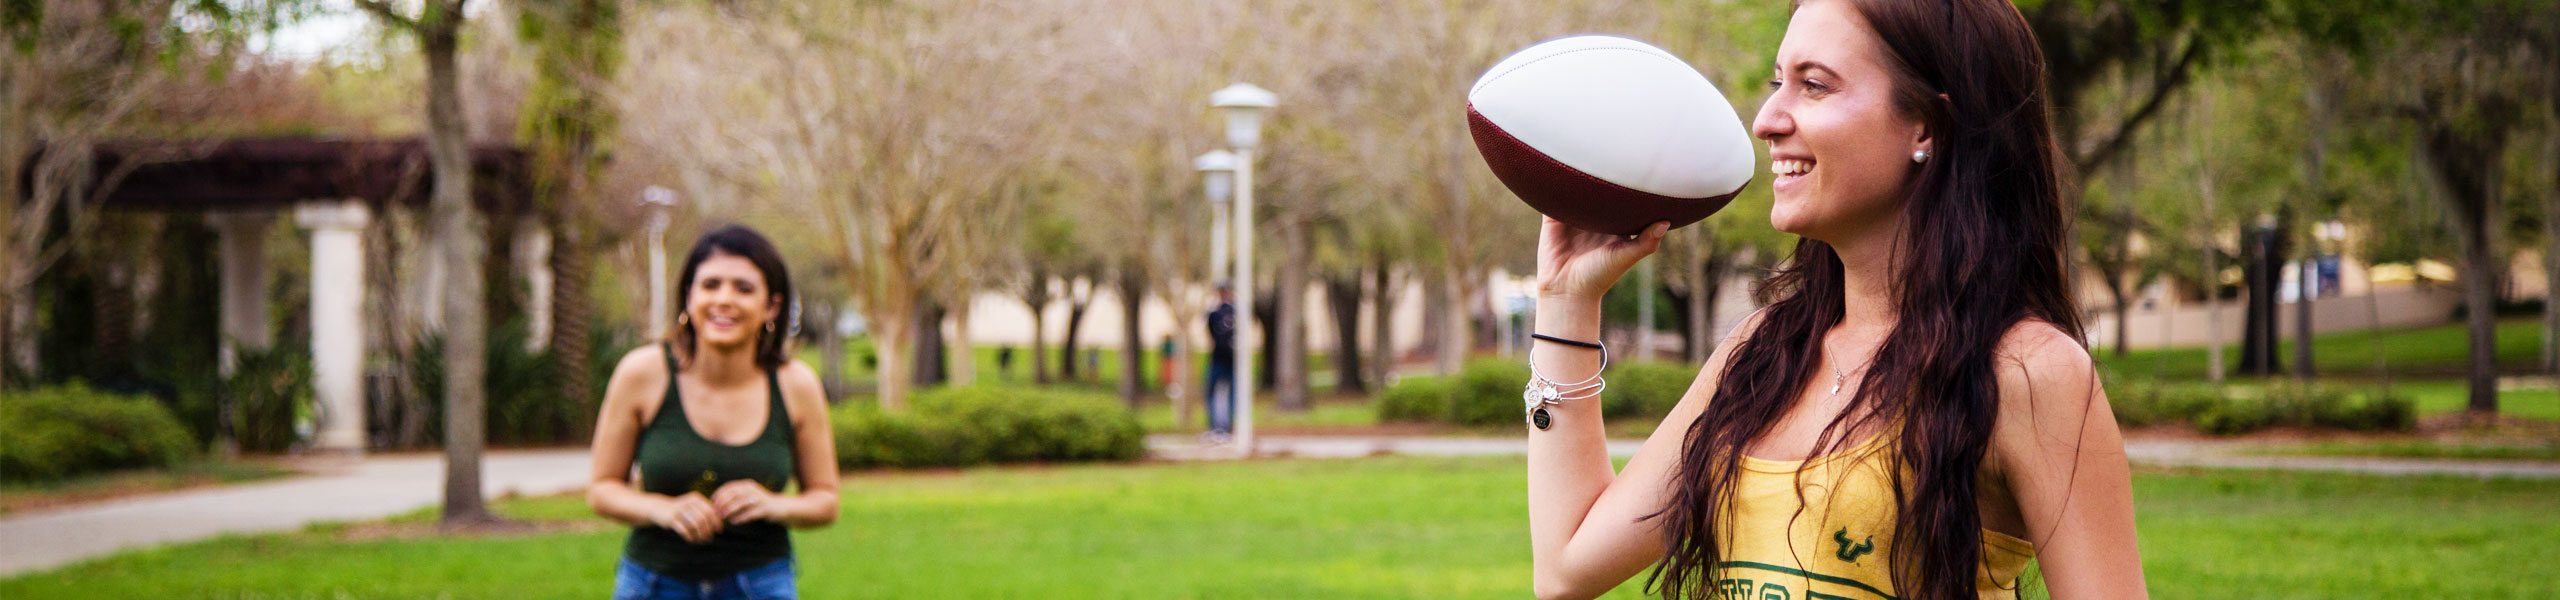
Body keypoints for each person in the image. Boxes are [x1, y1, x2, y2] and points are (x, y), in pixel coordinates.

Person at [1523, 2, 2146, 599]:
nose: (1767, 119)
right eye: (1777, 83)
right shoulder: (1761, 356)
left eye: (1814, 86)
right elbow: (1566, 567)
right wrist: (1567, 301)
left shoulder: (2029, 373)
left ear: (1927, 126)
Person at [588, 225, 840, 600]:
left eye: (743, 288)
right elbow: (602, 489)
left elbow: (825, 499)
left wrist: (773, 504)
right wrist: (664, 510)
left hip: (761, 585)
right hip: (654, 585)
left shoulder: (796, 385)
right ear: (689, 297)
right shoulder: (642, 373)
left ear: (771, 306)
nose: (724, 299)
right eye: (710, 285)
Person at [1202, 283, 1238, 443]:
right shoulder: (1215, 314)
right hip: (1218, 358)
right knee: (1212, 392)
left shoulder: (1234, 312)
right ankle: (1216, 427)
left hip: (1230, 359)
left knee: (1231, 394)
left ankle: (1227, 427)